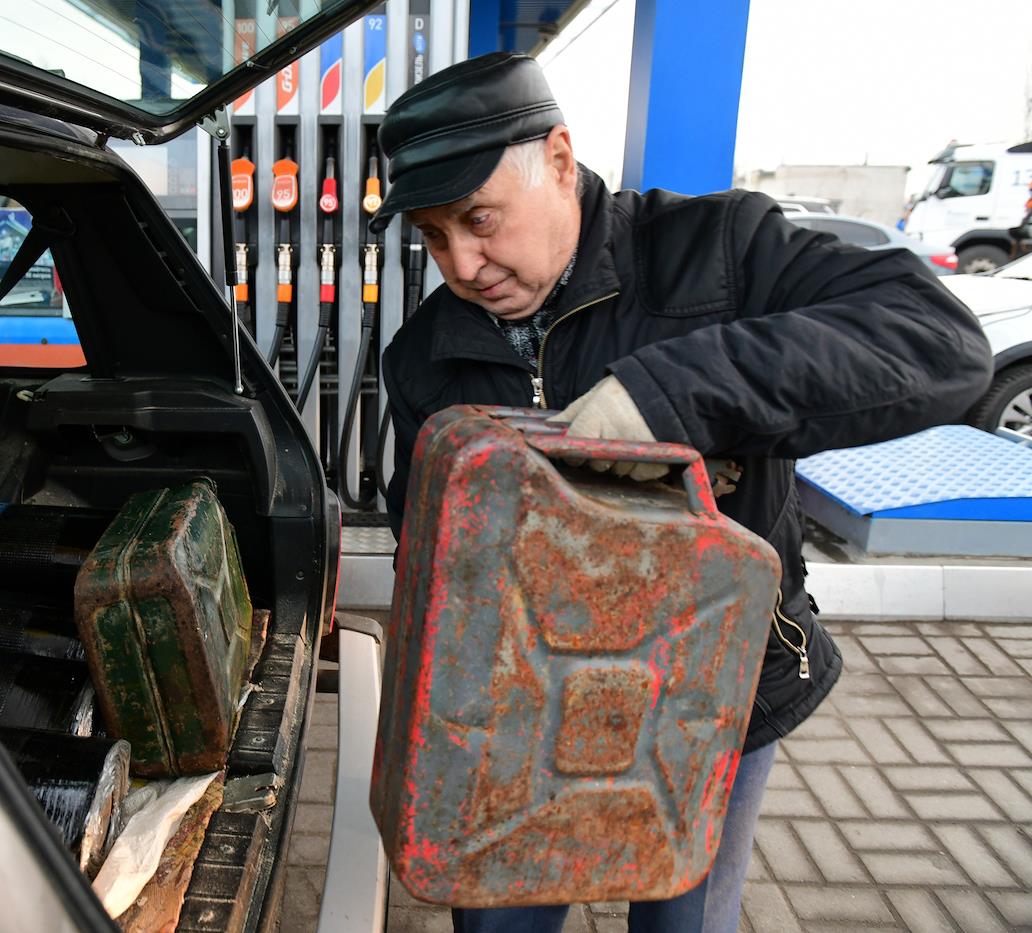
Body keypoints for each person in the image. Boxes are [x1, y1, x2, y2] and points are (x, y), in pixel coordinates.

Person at [372, 52, 993, 933]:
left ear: (557, 159)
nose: (463, 264)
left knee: (684, 922)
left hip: (715, 696)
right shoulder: (423, 355)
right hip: (519, 721)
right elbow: (426, 541)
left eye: (479, 219)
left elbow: (936, 341)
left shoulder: (721, 254)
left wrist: (668, 397)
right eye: (434, 237)